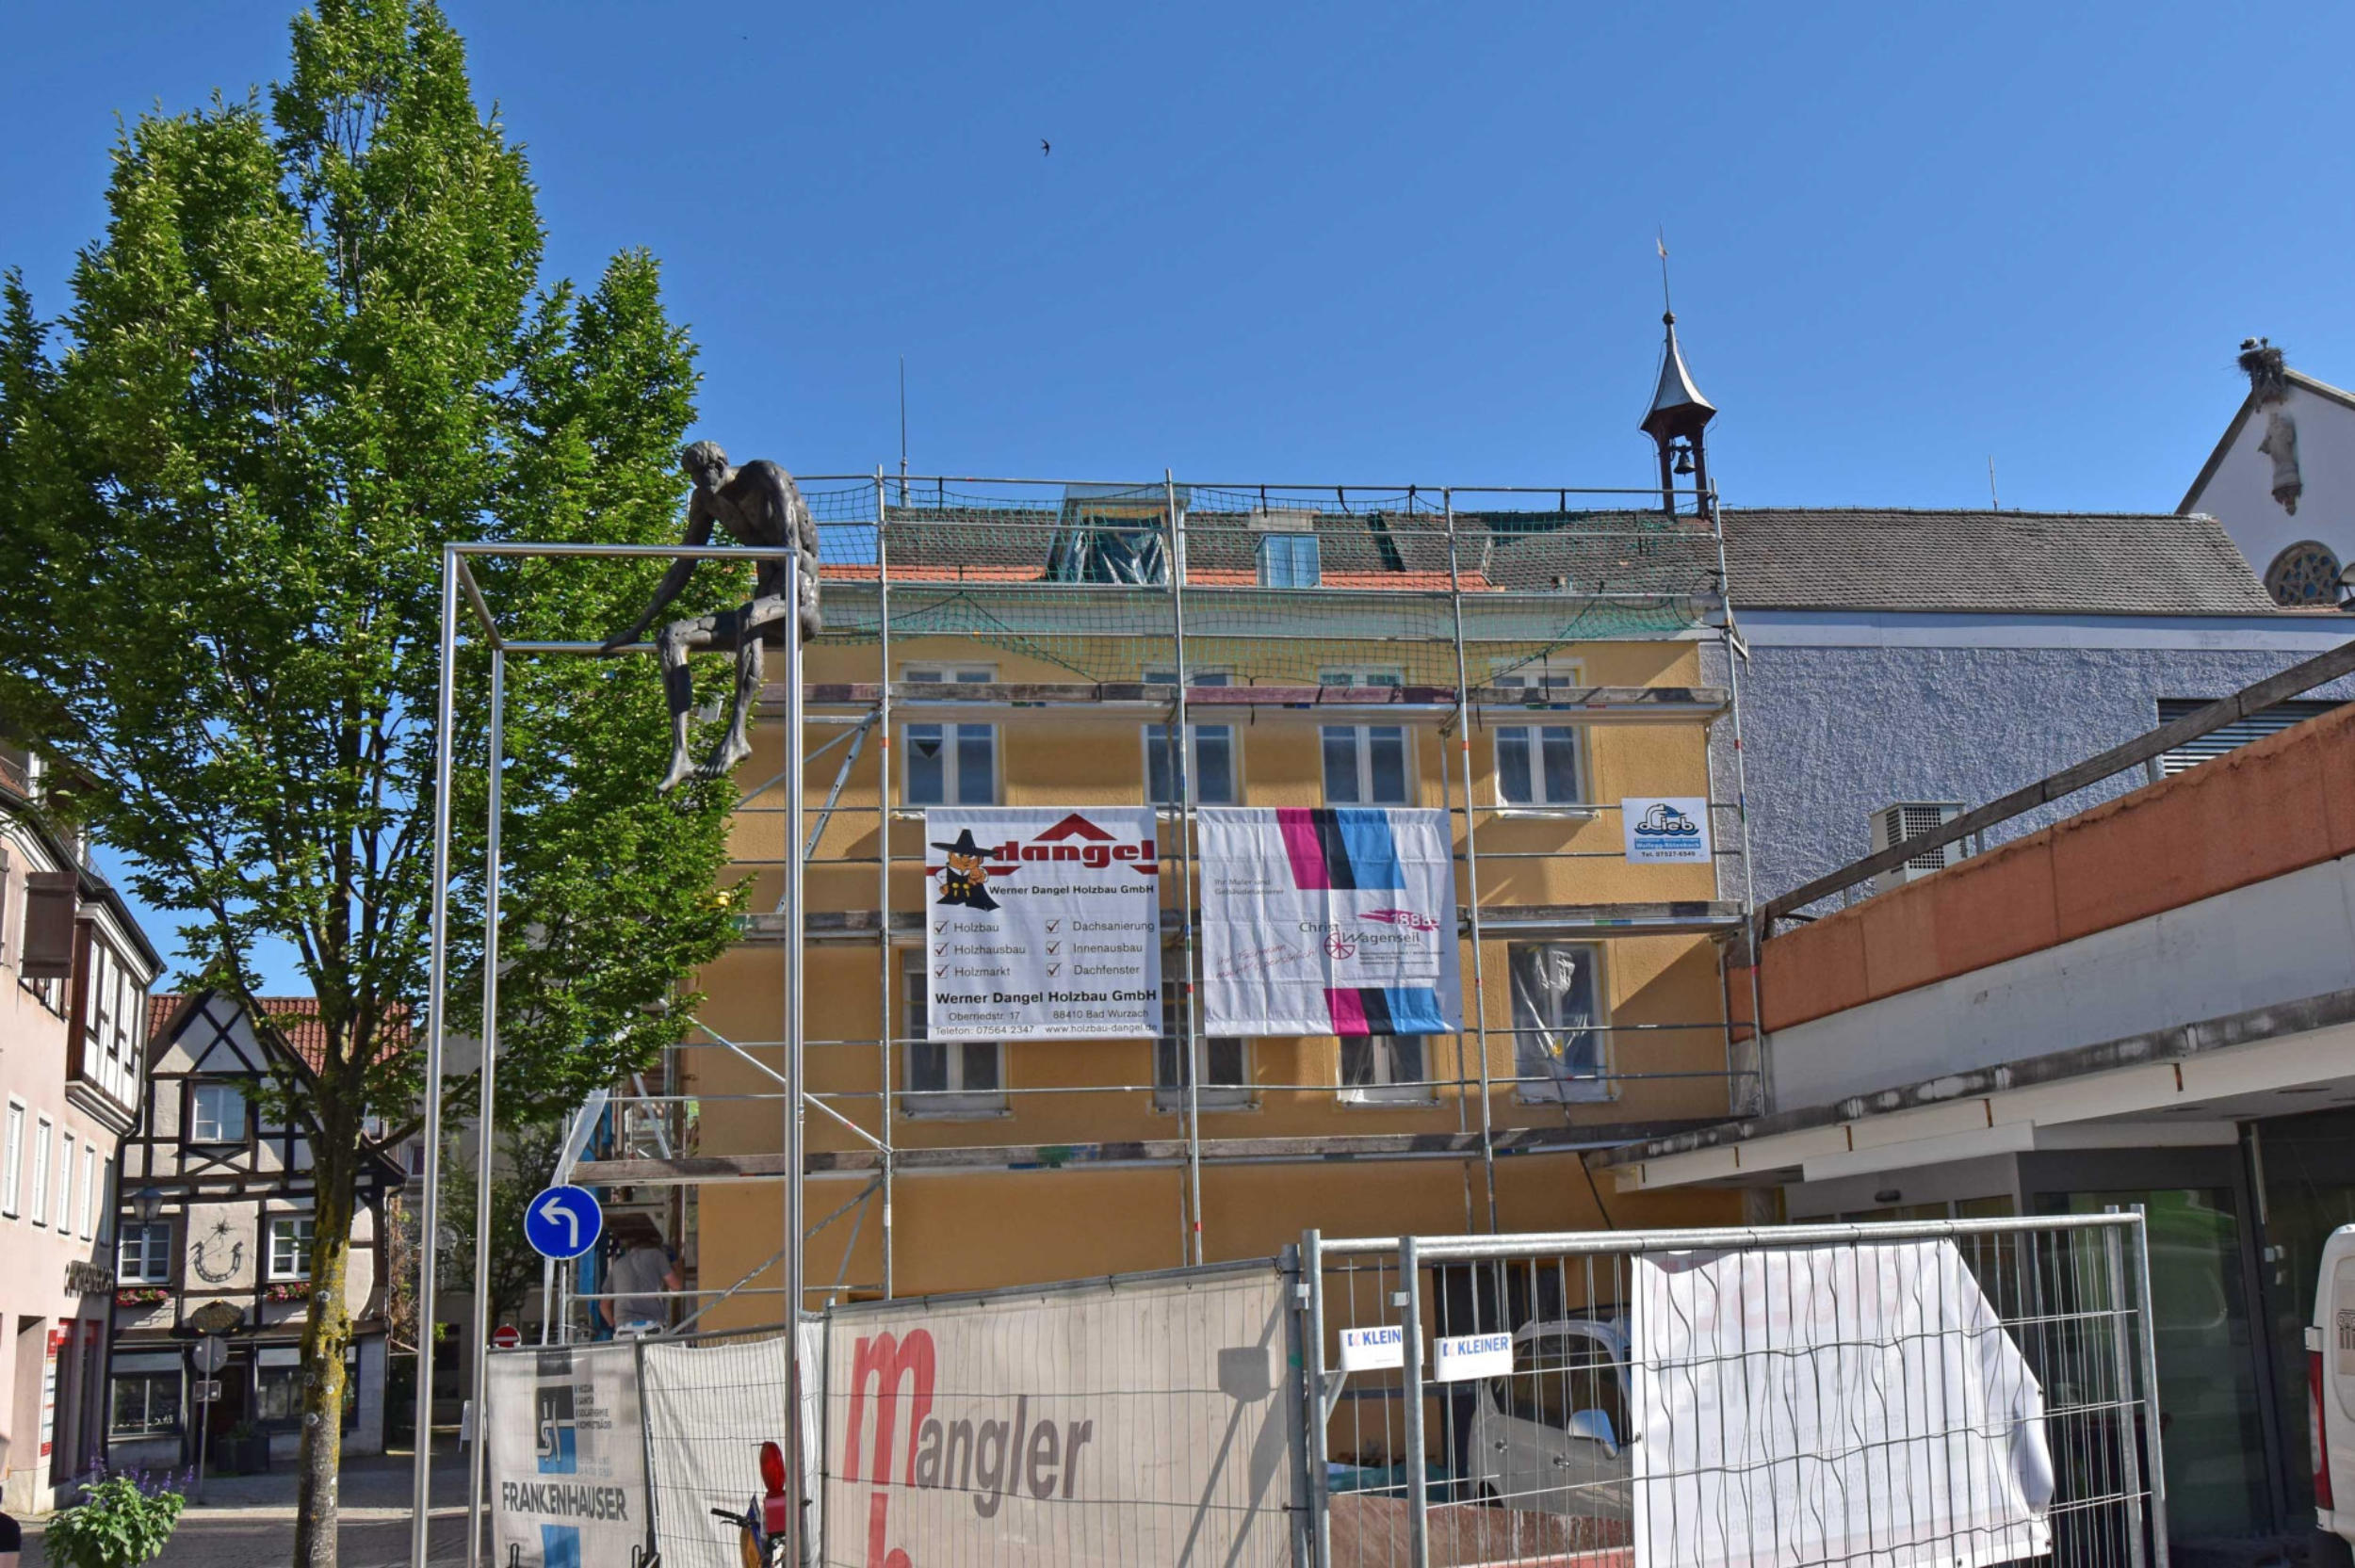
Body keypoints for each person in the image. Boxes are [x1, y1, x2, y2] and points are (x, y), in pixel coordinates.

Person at [600, 1218, 682, 1338]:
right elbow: (676, 1286)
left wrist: (613, 1324)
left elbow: (604, 1306)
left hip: (624, 1326)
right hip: (652, 1324)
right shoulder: (657, 1255)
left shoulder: (618, 1264)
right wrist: (675, 1264)